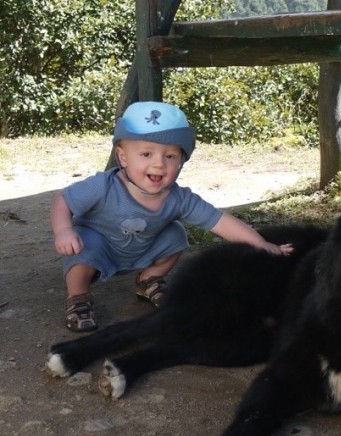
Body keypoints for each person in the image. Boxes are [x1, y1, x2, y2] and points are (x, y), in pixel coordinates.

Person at [50, 101, 292, 332]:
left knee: (175, 235)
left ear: (182, 161)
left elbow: (220, 222)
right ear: (123, 157)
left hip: (142, 248)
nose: (159, 164)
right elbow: (64, 200)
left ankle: (148, 279)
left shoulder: (179, 198)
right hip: (99, 245)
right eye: (146, 154)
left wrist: (260, 244)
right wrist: (64, 230)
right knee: (82, 246)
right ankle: (78, 297)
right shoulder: (102, 186)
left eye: (170, 156)